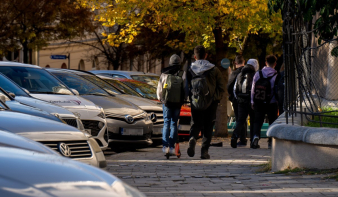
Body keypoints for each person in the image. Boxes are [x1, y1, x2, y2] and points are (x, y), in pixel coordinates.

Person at [186, 45, 225, 159]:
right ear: (206, 55)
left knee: (196, 123)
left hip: (196, 101)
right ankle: (204, 151)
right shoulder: (214, 69)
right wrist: (215, 98)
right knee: (208, 126)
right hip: (211, 102)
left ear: (195, 56)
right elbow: (222, 86)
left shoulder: (190, 69)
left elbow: (186, 86)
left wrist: (190, 98)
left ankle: (193, 138)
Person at [157, 54, 185, 156]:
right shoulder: (182, 74)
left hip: (167, 103)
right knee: (174, 123)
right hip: (177, 103)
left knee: (166, 122)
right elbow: (184, 89)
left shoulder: (164, 74)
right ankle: (172, 147)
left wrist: (161, 99)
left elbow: (159, 89)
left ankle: (165, 146)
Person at [251, 55, 279, 149]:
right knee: (272, 121)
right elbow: (276, 90)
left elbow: (253, 88)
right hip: (271, 102)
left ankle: (255, 137)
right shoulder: (276, 75)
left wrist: (252, 101)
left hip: (259, 101)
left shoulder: (258, 74)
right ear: (275, 64)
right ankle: (271, 141)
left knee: (257, 121)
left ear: (265, 63)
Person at [231, 59, 258, 148]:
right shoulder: (256, 75)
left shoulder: (240, 74)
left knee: (240, 121)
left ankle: (234, 136)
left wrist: (238, 98)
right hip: (252, 102)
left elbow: (235, 89)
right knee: (254, 120)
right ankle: (253, 142)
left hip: (241, 101)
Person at [227, 55, 247, 146]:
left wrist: (230, 96)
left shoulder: (235, 73)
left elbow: (229, 86)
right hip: (248, 98)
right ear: (244, 62)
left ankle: (242, 138)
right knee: (244, 118)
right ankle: (250, 138)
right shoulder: (248, 72)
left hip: (237, 98)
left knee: (239, 118)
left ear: (235, 63)